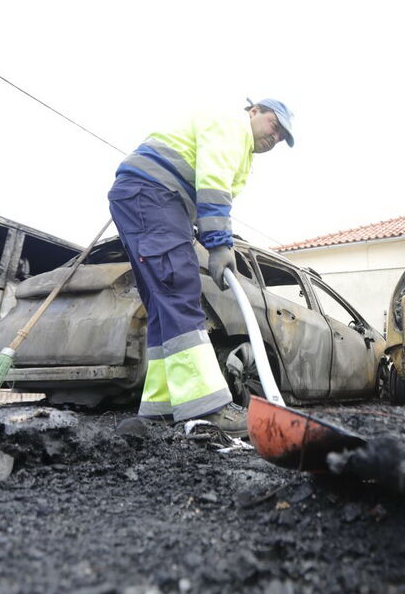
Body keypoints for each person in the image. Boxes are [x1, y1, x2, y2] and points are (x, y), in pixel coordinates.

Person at [108, 98, 294, 437]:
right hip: (154, 195)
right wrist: (220, 243)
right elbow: (213, 180)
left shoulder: (236, 141)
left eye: (282, 136)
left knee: (165, 304)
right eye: (274, 125)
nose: (276, 136)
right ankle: (206, 406)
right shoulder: (232, 127)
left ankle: (162, 405)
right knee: (179, 291)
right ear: (254, 111)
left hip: (147, 196)